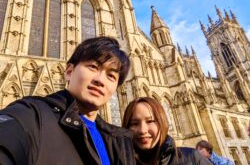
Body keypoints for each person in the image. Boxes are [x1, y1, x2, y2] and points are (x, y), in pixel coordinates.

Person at [0, 37, 136, 165]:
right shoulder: (31, 115)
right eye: (93, 67)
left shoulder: (119, 141)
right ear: (69, 71)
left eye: (111, 76)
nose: (100, 80)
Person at [122, 97, 212, 165]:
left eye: (150, 121)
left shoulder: (192, 158)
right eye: (134, 123)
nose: (142, 130)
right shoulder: (117, 161)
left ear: (162, 122)